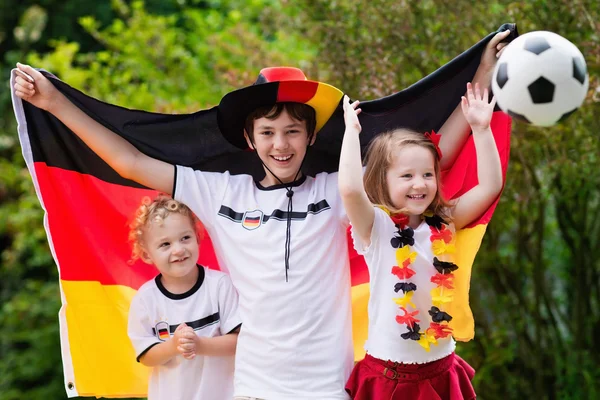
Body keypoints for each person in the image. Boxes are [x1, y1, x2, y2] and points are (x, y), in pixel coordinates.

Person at [12, 28, 508, 400]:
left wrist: (481, 76)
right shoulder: (218, 192)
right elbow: (131, 162)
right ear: (249, 140)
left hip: (332, 385)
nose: (281, 143)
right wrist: (54, 103)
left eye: (293, 131)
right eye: (267, 132)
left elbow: (426, 162)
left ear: (311, 137)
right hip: (254, 385)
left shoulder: (339, 189)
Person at [338, 81, 503, 400]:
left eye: (428, 174)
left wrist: (481, 130)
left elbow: (489, 187)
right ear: (381, 182)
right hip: (389, 377)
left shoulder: (445, 221)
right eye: (406, 176)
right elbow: (349, 190)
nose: (420, 183)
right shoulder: (378, 229)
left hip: (440, 369)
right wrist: (351, 132)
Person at [127, 194, 241, 400]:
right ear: (146, 254)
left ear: (197, 237)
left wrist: (199, 344)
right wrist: (174, 345)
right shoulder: (145, 299)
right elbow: (146, 356)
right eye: (165, 244)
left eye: (185, 238)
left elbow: (239, 342)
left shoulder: (219, 285)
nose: (178, 249)